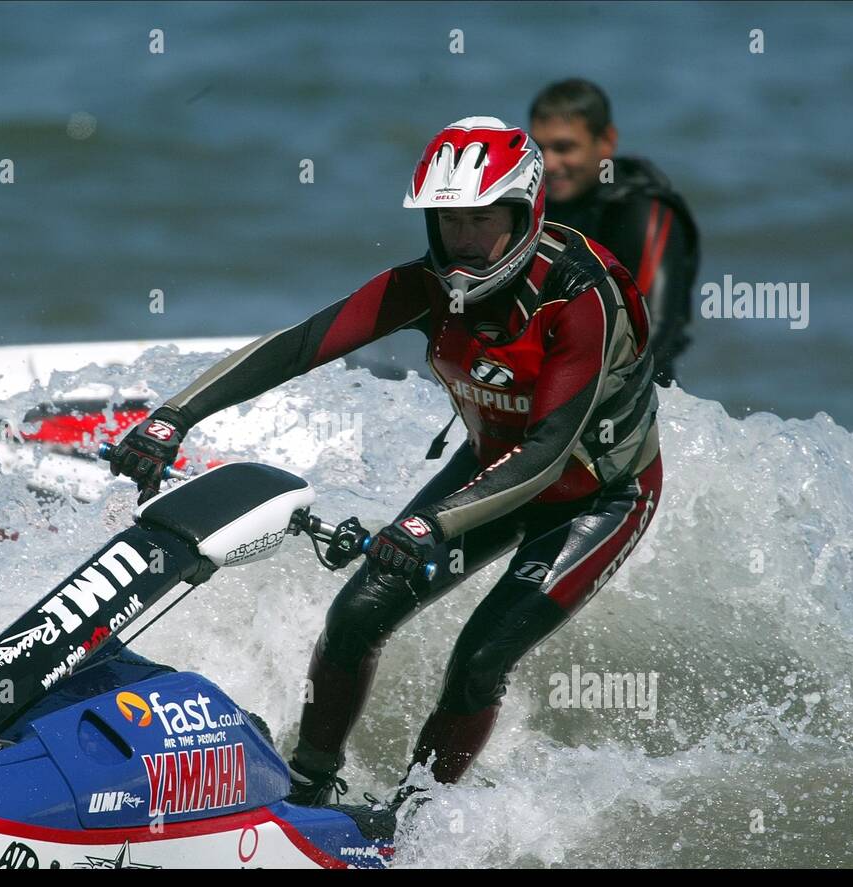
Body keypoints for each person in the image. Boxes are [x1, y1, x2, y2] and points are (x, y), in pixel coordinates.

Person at [108, 117, 663, 807]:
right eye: (446, 220)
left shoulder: (579, 299)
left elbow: (548, 457)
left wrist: (429, 526)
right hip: (490, 468)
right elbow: (298, 345)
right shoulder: (424, 288)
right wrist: (173, 415)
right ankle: (306, 789)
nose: (460, 240)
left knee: (480, 659)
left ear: (523, 215)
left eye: (479, 219)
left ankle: (414, 823)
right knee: (355, 615)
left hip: (597, 498)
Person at [529, 78, 699, 387]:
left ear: (606, 141)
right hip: (547, 384)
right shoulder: (534, 207)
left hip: (636, 400)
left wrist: (575, 399)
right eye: (540, 148)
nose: (549, 163)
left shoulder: (644, 211)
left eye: (564, 147)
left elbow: (653, 334)